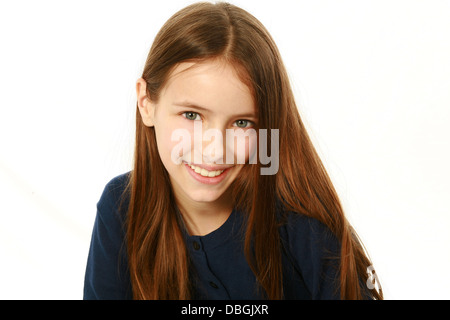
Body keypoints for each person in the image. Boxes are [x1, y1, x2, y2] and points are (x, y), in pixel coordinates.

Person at [83, 1, 383, 300]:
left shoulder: (300, 219)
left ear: (267, 126)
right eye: (191, 115)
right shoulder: (121, 207)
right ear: (146, 103)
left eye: (241, 123)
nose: (214, 151)